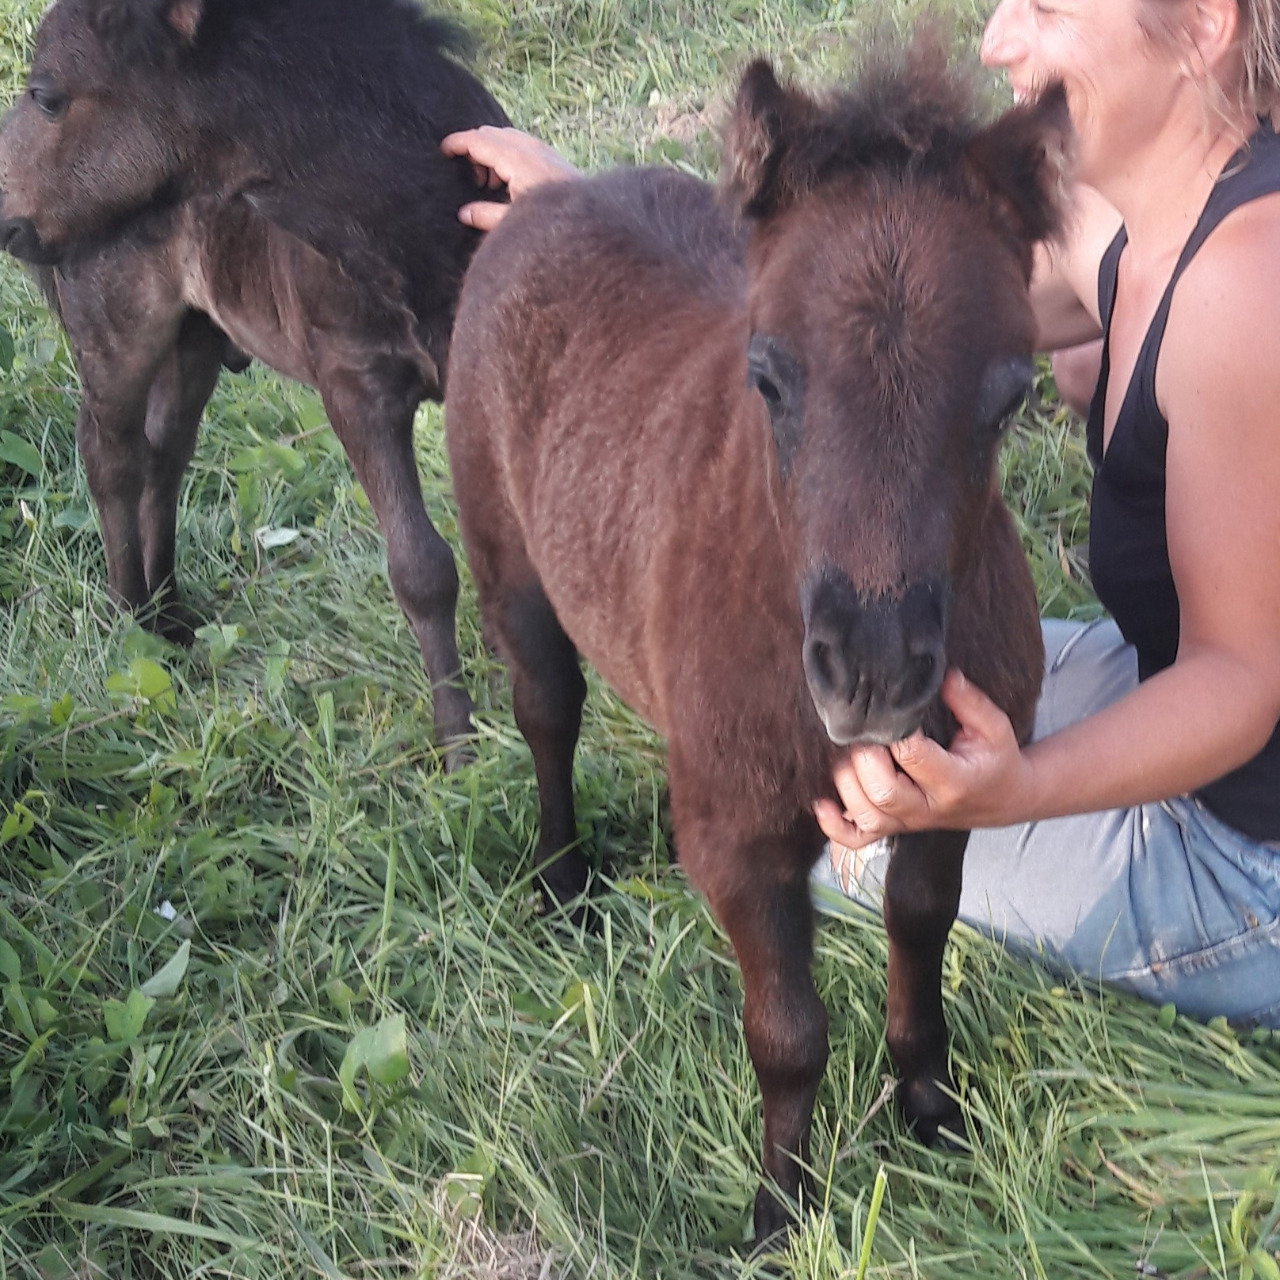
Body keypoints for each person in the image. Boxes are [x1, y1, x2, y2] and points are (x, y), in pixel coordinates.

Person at [443, 0, 1280, 1028]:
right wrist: (584, 221)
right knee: (893, 743)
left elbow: (1241, 679)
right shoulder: (1146, 214)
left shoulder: (1247, 284)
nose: (996, 41)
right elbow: (893, 310)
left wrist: (1017, 789)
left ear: (1201, 25)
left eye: (1046, 7)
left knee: (837, 821)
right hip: (1174, 665)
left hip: (1253, 853)